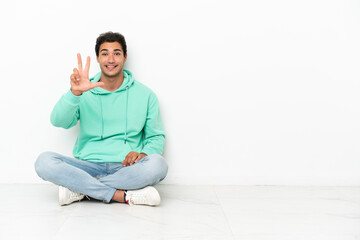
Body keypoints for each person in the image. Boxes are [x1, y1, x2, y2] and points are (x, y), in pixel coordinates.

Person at [35, 31, 168, 206]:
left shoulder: (146, 95)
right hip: (86, 167)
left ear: (125, 57)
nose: (111, 59)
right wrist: (74, 93)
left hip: (126, 168)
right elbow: (58, 121)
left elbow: (155, 137)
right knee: (44, 161)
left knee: (158, 164)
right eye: (105, 54)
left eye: (116, 53)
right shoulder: (84, 91)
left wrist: (142, 154)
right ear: (97, 58)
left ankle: (80, 190)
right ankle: (123, 196)